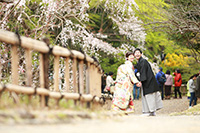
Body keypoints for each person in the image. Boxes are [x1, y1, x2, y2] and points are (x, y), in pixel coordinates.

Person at [134, 48, 163, 116]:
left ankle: (149, 111)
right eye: (136, 53)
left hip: (148, 81)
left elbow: (143, 72)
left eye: (138, 52)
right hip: (147, 82)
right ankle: (150, 111)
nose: (137, 54)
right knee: (148, 96)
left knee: (149, 96)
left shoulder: (143, 61)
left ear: (141, 54)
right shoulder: (140, 62)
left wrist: (140, 80)